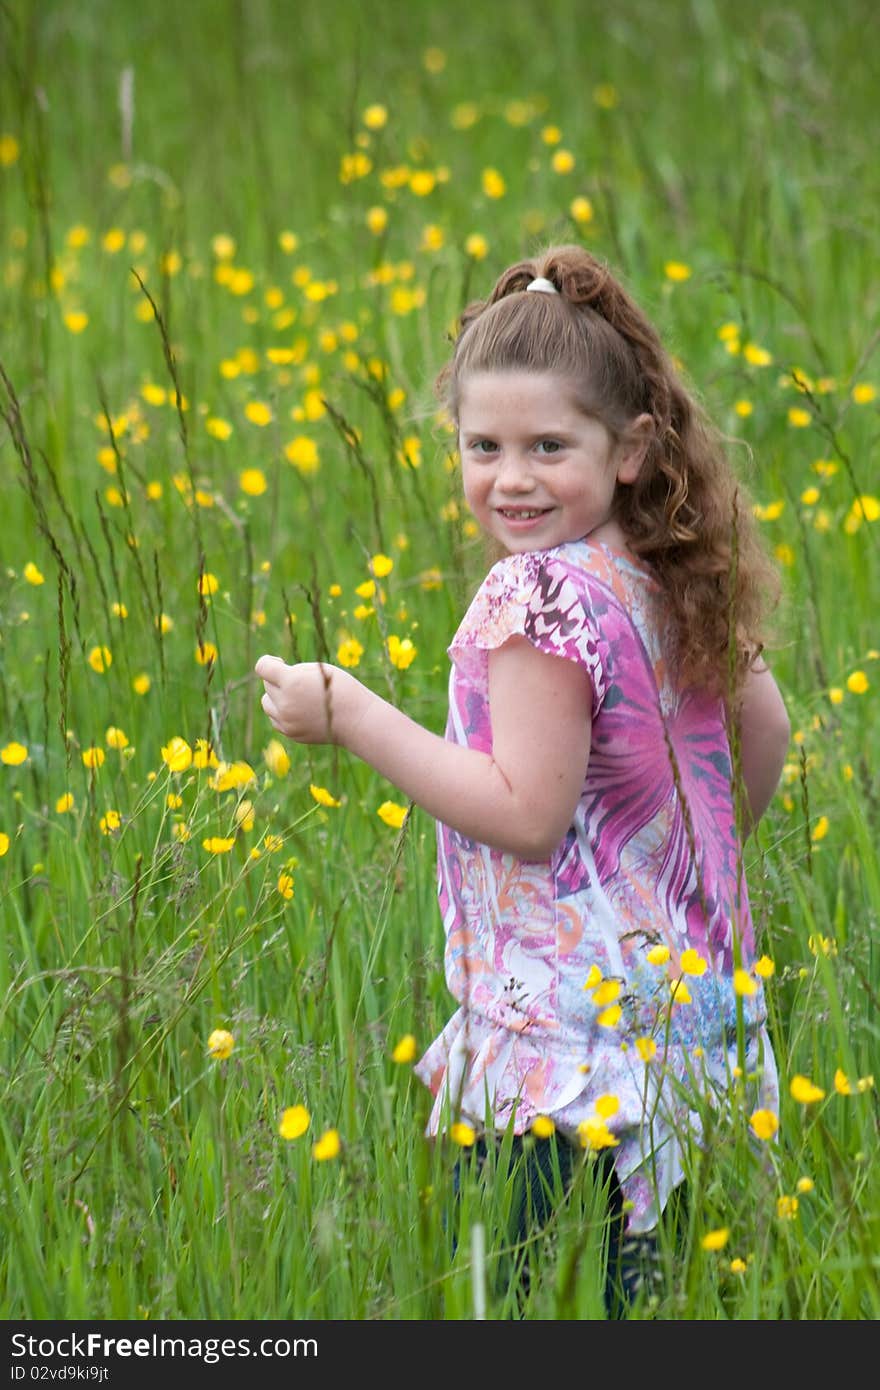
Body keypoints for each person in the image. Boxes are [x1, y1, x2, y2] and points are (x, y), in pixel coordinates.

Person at [255, 244, 790, 1315]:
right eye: (482, 445)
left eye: (549, 446)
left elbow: (528, 815)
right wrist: (669, 862)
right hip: (694, 1044)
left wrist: (352, 714)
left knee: (540, 1306)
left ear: (630, 446)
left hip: (564, 1065)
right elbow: (760, 735)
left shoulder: (536, 597)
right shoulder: (666, 570)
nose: (511, 477)